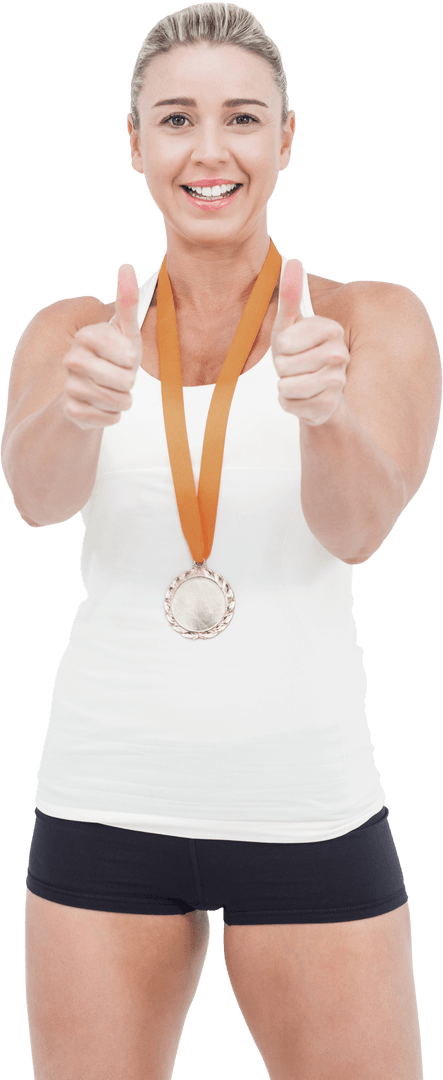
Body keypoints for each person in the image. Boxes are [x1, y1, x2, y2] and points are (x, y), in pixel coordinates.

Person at [1, 2, 440, 1078]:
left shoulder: (369, 319)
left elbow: (359, 527)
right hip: (104, 795)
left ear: (285, 138)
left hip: (304, 803)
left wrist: (322, 412)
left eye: (242, 118)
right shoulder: (72, 332)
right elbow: (35, 499)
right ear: (135, 142)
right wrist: (77, 411)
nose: (209, 151)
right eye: (176, 119)